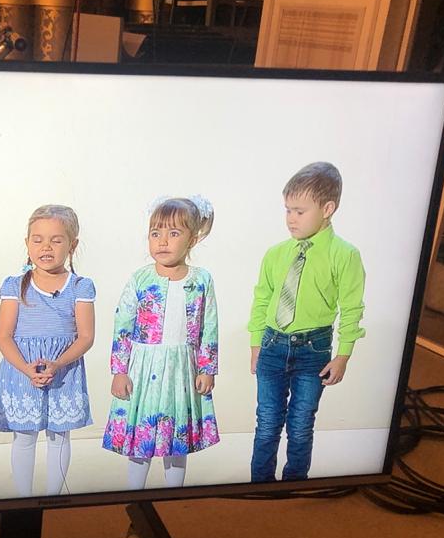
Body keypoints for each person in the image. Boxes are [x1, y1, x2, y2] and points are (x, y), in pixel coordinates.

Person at [248, 161, 366, 483]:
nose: (291, 218)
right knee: (267, 421)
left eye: (300, 211)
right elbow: (261, 299)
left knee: (301, 424)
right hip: (272, 345)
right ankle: (260, 484)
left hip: (313, 350)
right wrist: (256, 344)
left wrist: (343, 355)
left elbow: (352, 307)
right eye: (288, 210)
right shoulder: (276, 253)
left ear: (327, 209)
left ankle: (293, 484)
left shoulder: (345, 255)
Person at [102, 196, 219, 489]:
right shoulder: (140, 279)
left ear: (192, 239)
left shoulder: (202, 280)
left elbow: (209, 326)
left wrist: (207, 369)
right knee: (140, 439)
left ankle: (173, 495)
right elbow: (122, 326)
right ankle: (135, 496)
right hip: (143, 368)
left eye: (174, 233)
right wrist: (119, 371)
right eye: (156, 233)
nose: (163, 241)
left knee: (176, 438)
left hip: (181, 370)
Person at [0, 205, 95, 496]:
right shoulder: (15, 286)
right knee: (24, 436)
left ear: (72, 245)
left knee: (59, 435)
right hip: (22, 370)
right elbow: (4, 336)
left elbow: (86, 337)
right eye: (38, 239)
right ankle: (24, 497)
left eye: (56, 240)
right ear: (27, 243)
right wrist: (26, 368)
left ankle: (53, 496)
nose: (46, 247)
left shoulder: (80, 287)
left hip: (63, 371)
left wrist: (58, 363)